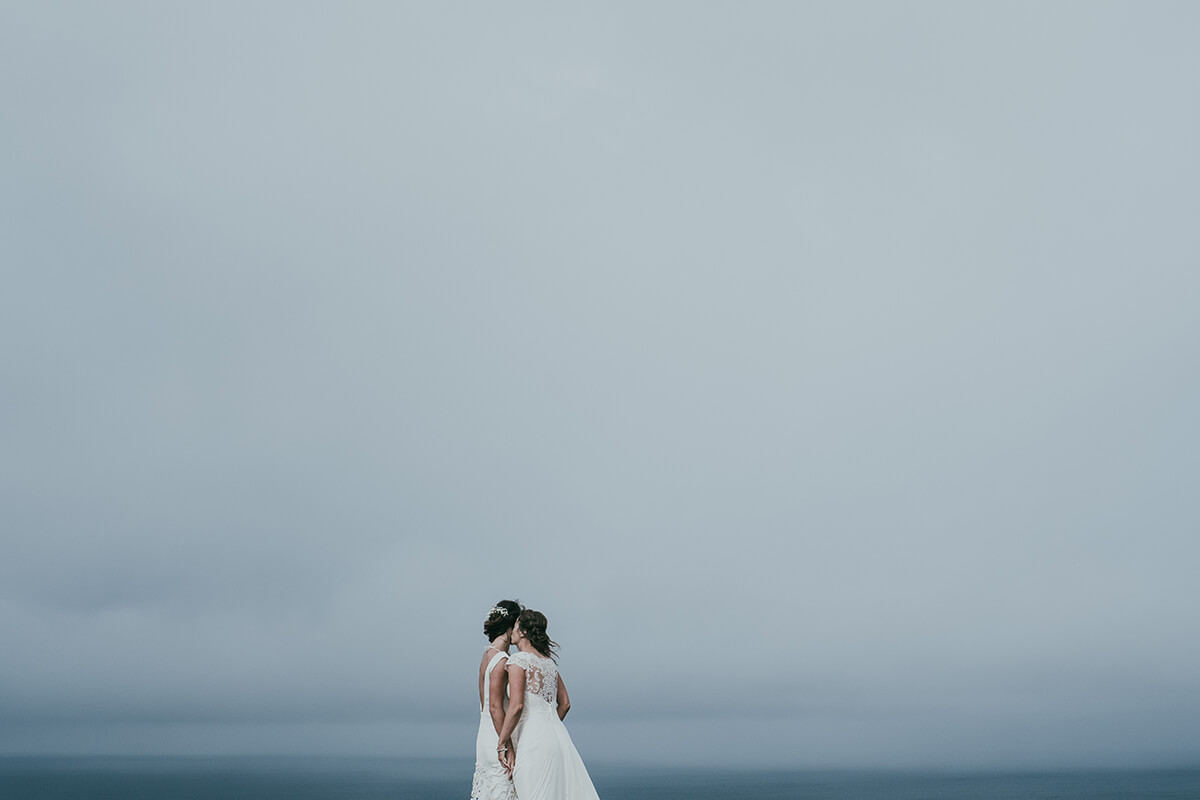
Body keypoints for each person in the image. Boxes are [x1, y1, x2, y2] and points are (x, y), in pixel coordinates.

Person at [497, 609, 600, 800]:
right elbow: (565, 703)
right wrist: (548, 723)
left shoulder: (518, 660)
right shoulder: (549, 663)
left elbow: (517, 706)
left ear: (524, 632)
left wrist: (502, 742)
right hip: (558, 737)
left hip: (533, 739)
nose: (511, 630)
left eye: (516, 625)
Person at [471, 600, 523, 800]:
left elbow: (485, 706)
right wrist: (506, 745)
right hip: (496, 736)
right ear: (510, 627)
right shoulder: (502, 660)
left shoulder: (487, 655)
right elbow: (494, 707)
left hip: (484, 734)